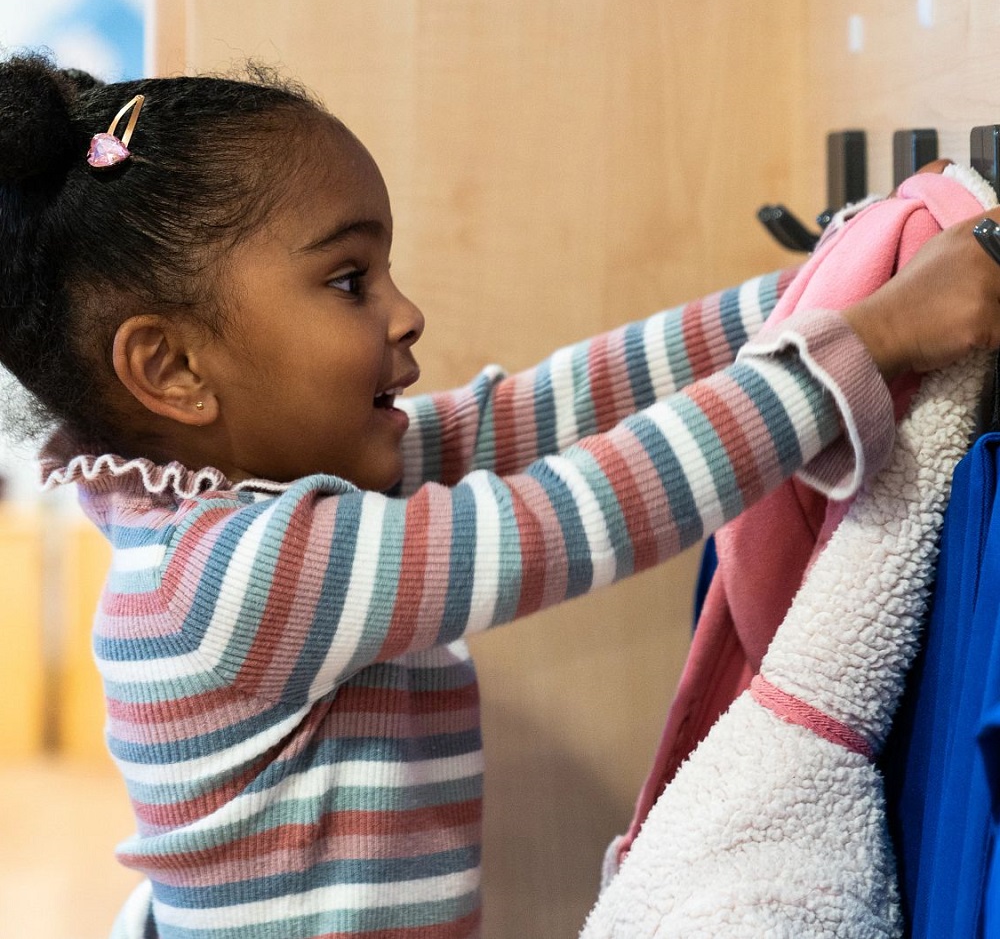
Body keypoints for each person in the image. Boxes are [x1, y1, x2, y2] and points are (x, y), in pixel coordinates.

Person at [2, 53, 999, 939]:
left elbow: (548, 408)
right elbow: (578, 513)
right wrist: (869, 341)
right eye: (349, 281)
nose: (406, 312)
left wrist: (825, 287)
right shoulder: (234, 572)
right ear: (171, 367)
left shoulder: (254, 503)